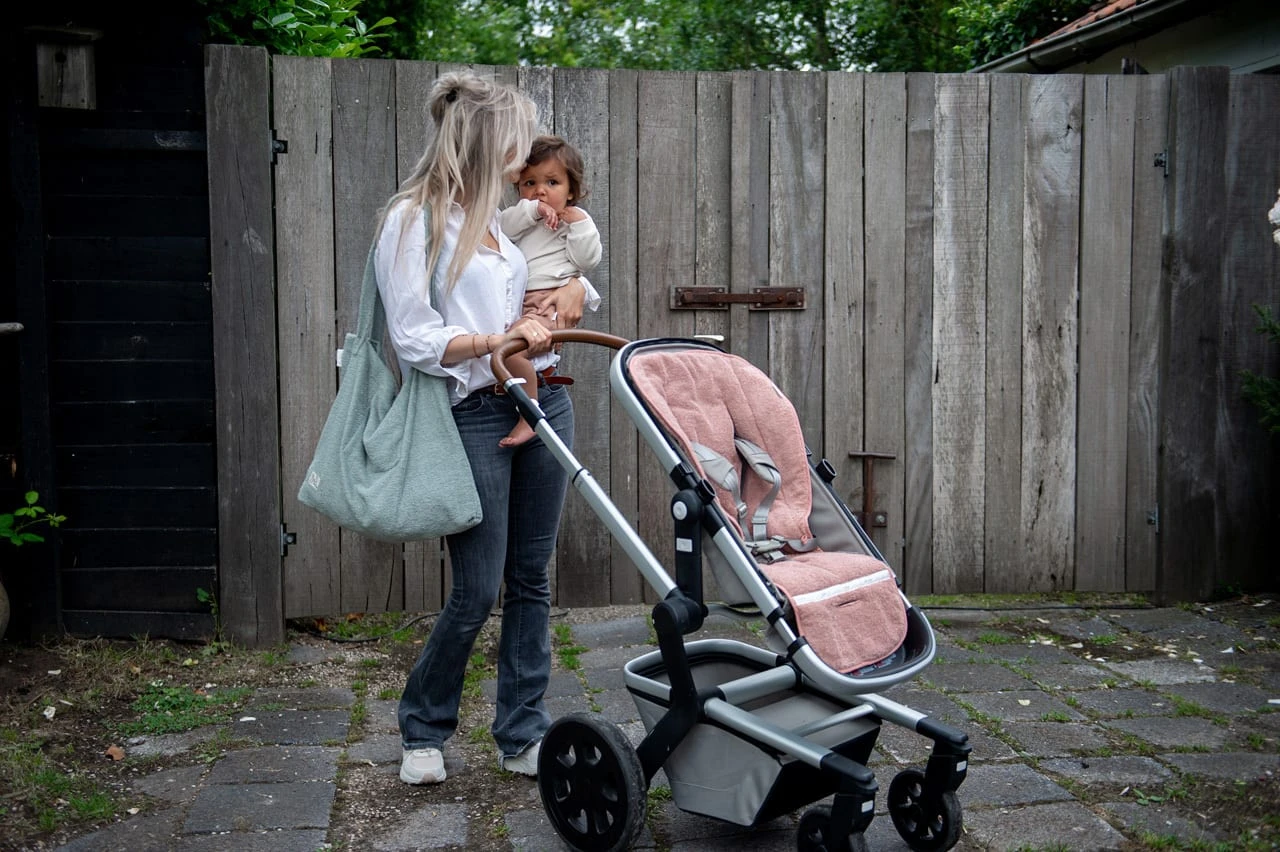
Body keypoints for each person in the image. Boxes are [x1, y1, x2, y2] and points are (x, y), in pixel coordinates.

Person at [372, 71, 598, 785]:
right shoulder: (413, 219)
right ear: (482, 139)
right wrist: (498, 342)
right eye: (514, 142)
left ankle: (521, 733)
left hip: (545, 401)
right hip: (472, 409)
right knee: (476, 589)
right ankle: (423, 730)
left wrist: (569, 292)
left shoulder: (504, 221)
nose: (524, 160)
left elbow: (570, 276)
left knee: (532, 579)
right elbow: (412, 335)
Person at [497, 135, 602, 447]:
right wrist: (534, 212)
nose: (539, 190)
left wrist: (579, 222)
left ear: (572, 190)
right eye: (529, 182)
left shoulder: (575, 224)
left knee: (510, 349)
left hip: (549, 306)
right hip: (524, 305)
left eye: (552, 182)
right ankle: (529, 402)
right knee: (508, 349)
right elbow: (503, 224)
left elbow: (587, 259)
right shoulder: (521, 220)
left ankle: (529, 411)